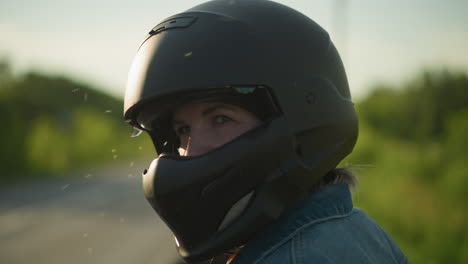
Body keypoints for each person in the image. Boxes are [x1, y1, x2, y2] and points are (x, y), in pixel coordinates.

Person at [123, 0, 408, 263]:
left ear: (304, 119)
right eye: (183, 129)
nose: (191, 149)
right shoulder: (358, 232)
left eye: (220, 119)